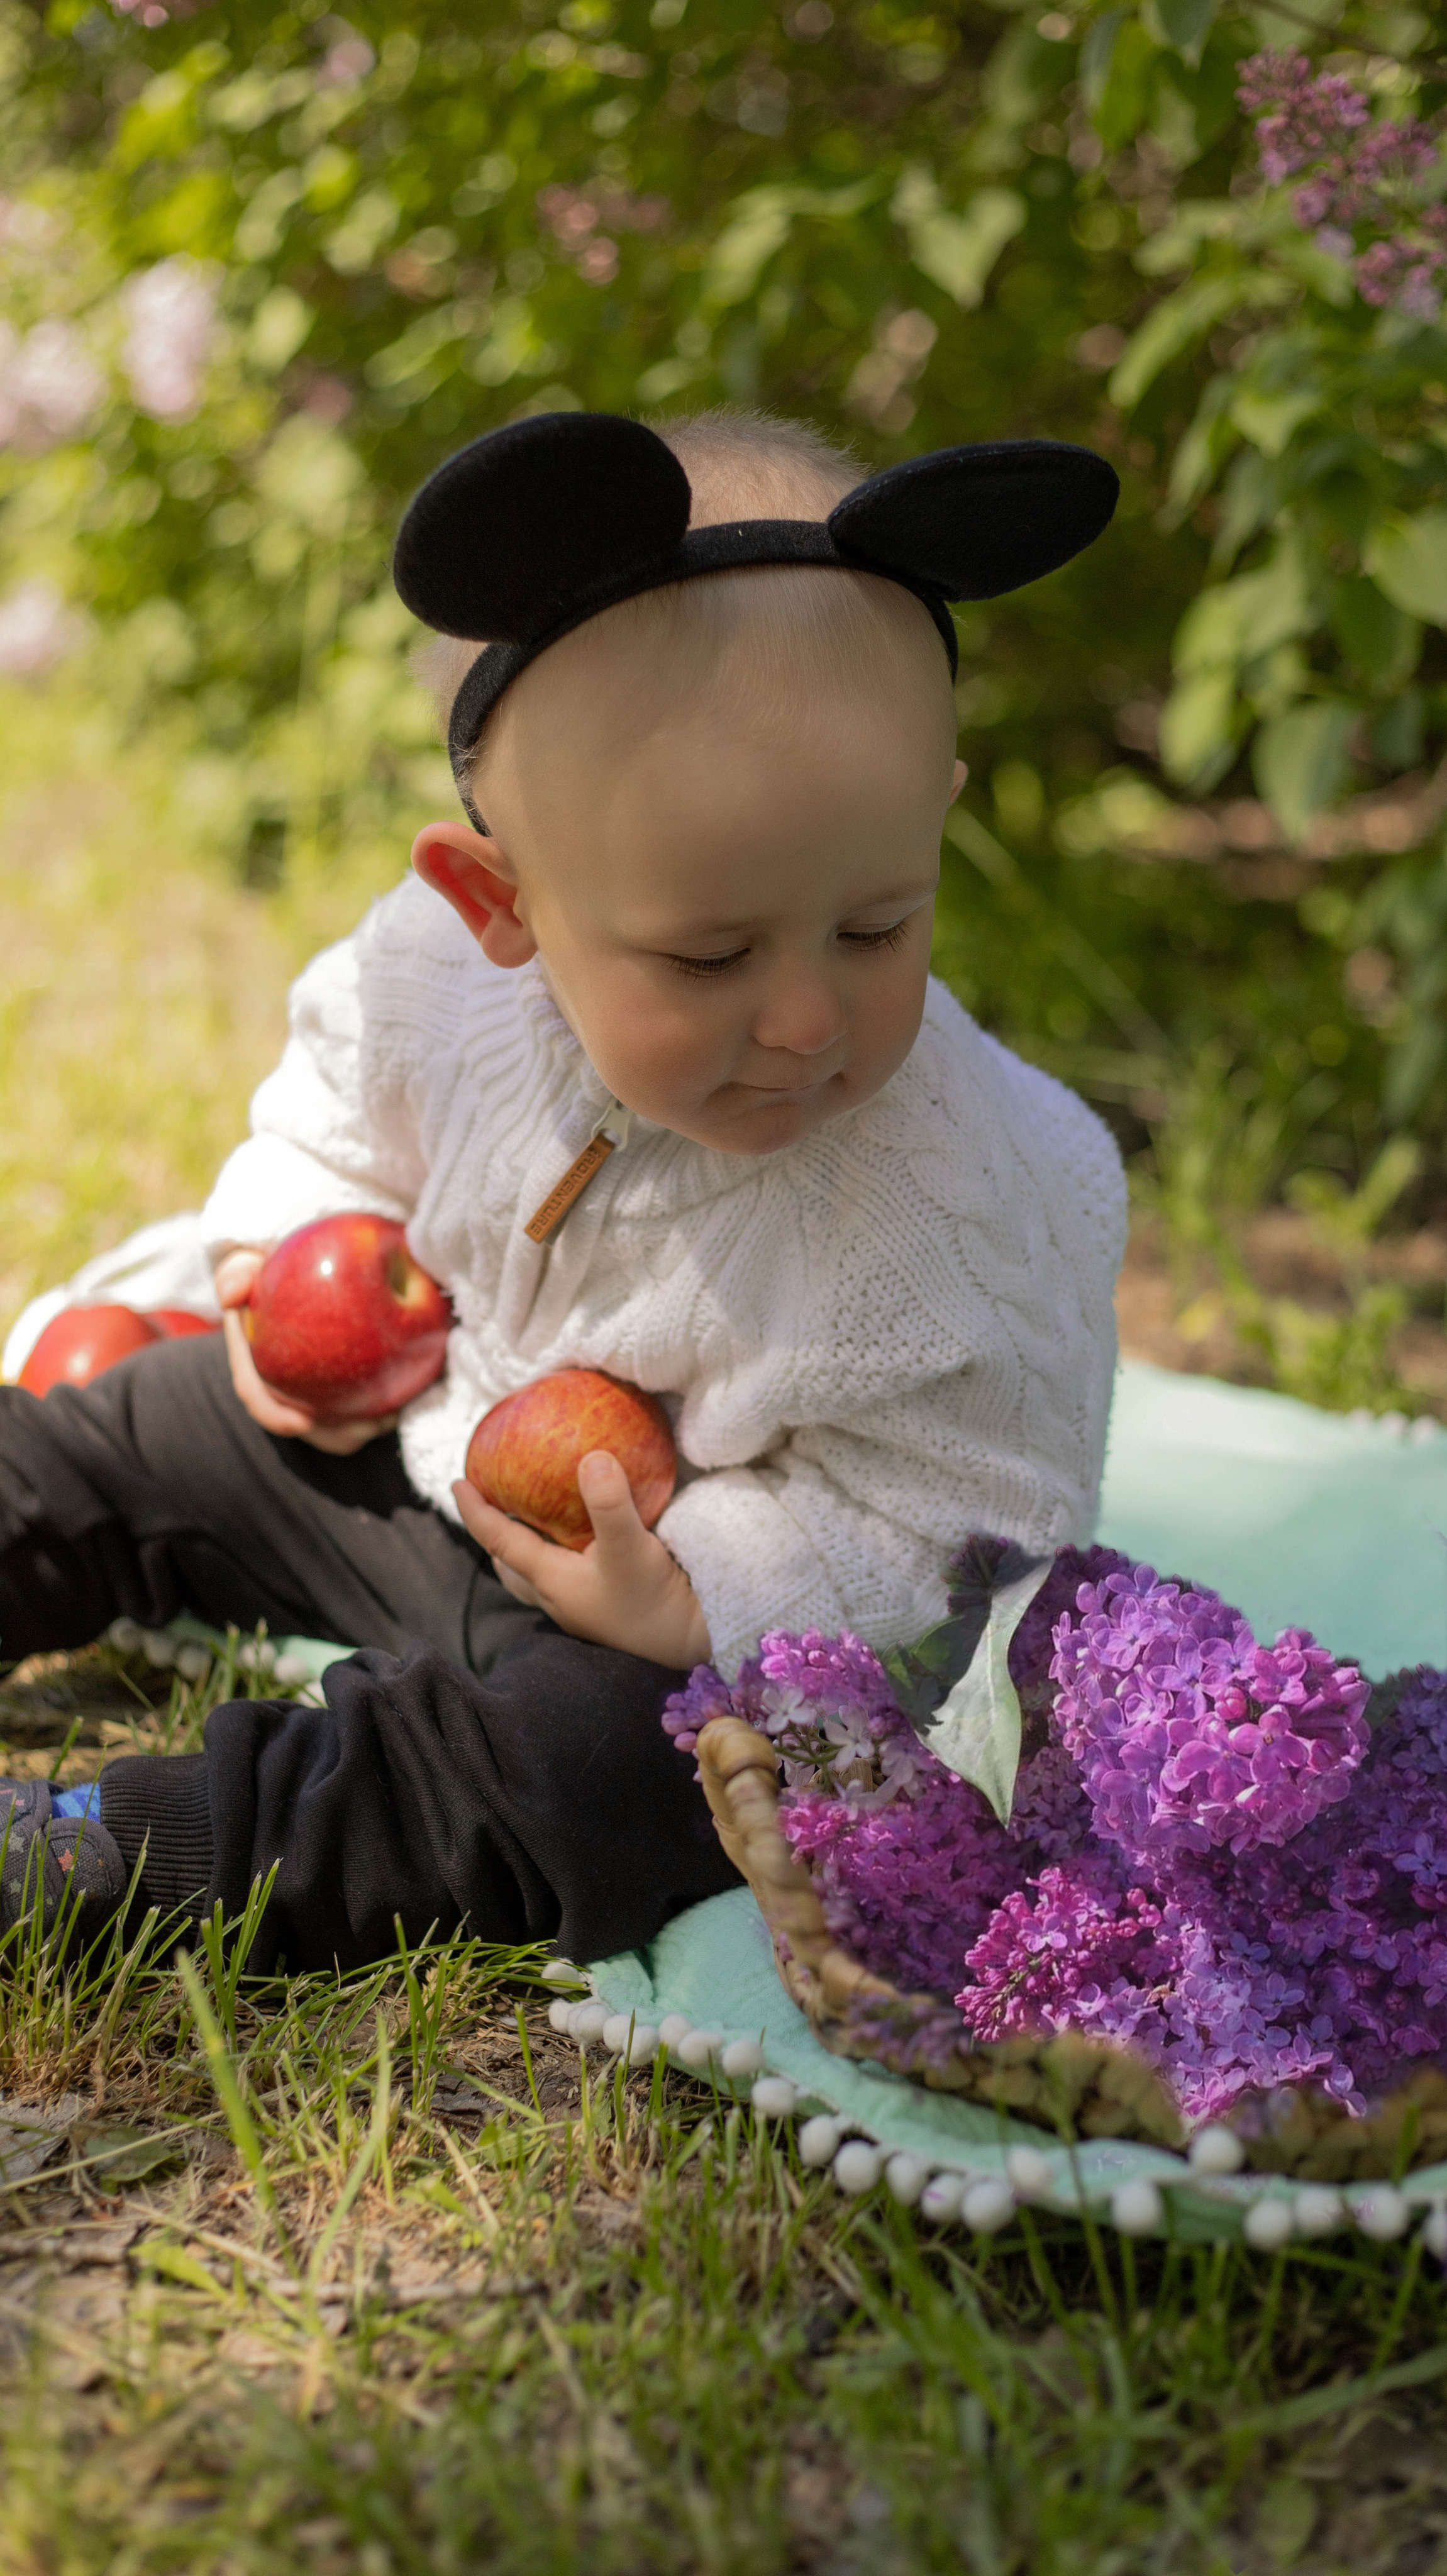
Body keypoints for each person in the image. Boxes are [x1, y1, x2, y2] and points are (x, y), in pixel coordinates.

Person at [0, 406, 1126, 1973]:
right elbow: (336, 1100)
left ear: (931, 813)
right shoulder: (429, 986)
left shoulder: (960, 1208)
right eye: (710, 954)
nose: (805, 1016)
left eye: (875, 927)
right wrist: (272, 1254)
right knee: (142, 1427)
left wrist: (699, 1595)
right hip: (435, 1453)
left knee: (598, 1772)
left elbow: (969, 1531)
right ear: (496, 902)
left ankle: (110, 1849)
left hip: (667, 1636)